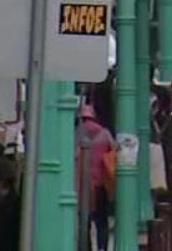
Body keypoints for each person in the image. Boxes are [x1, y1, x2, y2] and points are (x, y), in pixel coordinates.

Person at [77, 103, 117, 251]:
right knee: (101, 220)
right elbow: (114, 149)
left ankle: (85, 246)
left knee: (84, 219)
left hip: (82, 182)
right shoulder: (104, 133)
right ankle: (102, 248)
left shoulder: (76, 132)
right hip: (101, 182)